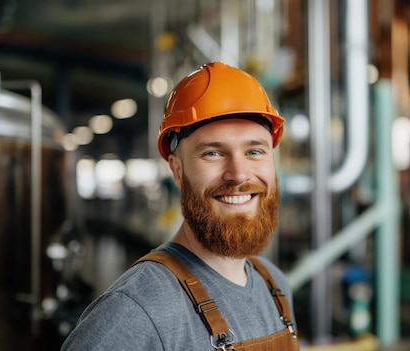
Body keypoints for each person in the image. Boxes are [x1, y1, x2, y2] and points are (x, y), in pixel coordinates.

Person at [61, 61, 299, 350]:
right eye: (212, 152)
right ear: (177, 170)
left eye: (254, 151)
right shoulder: (137, 309)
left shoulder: (274, 285)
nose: (239, 173)